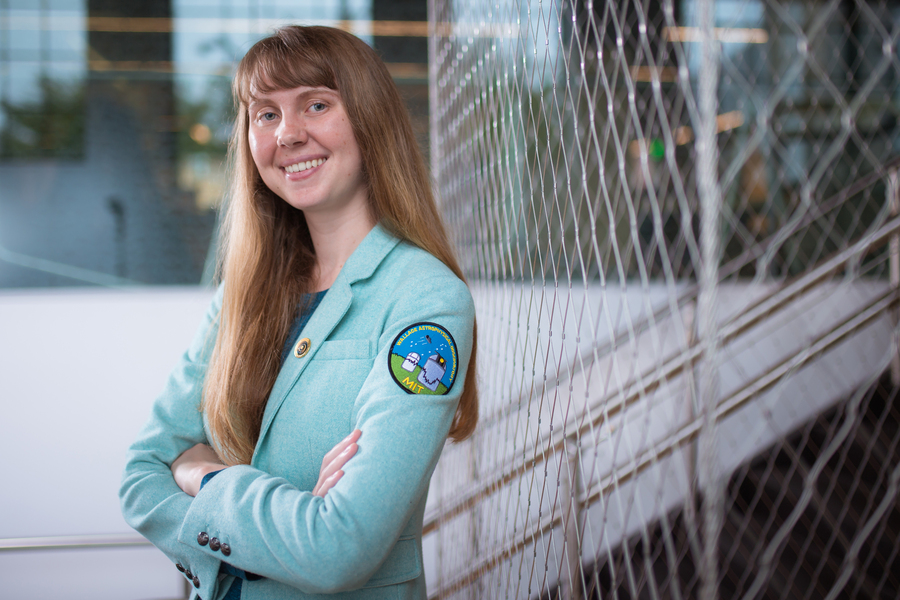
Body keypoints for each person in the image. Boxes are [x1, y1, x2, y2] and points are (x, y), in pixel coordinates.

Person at [119, 25, 478, 600]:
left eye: (316, 104)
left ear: (370, 121)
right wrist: (286, 513)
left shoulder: (425, 300)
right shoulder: (243, 294)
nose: (288, 134)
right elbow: (141, 475)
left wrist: (206, 475)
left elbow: (339, 549)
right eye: (265, 114)